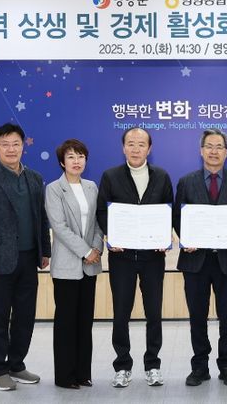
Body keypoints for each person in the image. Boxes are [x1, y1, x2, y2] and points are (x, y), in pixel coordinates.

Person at [0, 122, 51, 391]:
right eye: (5, 144)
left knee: (26, 316)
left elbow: (41, 218)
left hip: (28, 258)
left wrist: (45, 251)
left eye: (16, 144)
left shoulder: (34, 178)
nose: (11, 149)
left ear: (23, 146)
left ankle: (16, 364)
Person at [96, 127, 174, 388]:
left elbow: (168, 211)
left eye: (141, 144)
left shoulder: (161, 176)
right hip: (122, 257)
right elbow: (102, 211)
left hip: (153, 257)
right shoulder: (111, 176)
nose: (136, 149)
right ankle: (122, 365)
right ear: (123, 148)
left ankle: (153, 365)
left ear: (149, 149)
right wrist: (112, 236)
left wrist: (163, 237)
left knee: (154, 313)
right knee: (121, 313)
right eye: (131, 143)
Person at [173, 129, 227, 387]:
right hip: (195, 260)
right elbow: (177, 217)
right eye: (209, 146)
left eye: (219, 146)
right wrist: (186, 239)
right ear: (201, 151)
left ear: (226, 152)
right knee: (197, 316)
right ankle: (200, 366)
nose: (214, 151)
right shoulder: (186, 182)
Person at [45, 139, 103, 389]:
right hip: (67, 265)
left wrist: (96, 248)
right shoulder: (54, 189)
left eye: (80, 156)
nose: (76, 161)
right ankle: (65, 376)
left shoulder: (92, 187)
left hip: (90, 265)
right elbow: (59, 227)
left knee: (85, 321)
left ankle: (82, 373)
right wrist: (86, 251)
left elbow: (99, 223)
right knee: (66, 322)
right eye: (70, 157)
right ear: (62, 162)